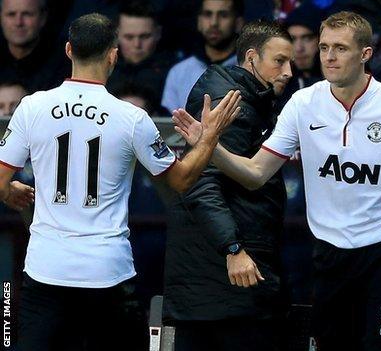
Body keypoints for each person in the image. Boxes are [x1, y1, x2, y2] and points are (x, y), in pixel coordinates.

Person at [174, 11, 381, 351]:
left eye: (340, 48)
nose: (329, 57)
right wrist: (210, 146)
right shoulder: (303, 104)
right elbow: (256, 173)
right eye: (324, 47)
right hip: (328, 250)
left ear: (365, 54)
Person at [0, 13, 241, 351]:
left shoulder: (31, 108)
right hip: (107, 273)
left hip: (45, 271)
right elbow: (183, 180)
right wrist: (209, 138)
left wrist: (10, 191)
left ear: (69, 50)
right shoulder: (131, 118)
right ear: (113, 55)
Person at [163, 20, 293, 351]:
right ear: (252, 57)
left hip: (220, 281)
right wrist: (232, 248)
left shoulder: (250, 100)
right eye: (279, 61)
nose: (288, 71)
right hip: (224, 277)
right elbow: (201, 183)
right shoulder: (230, 103)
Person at [161, 0, 244, 113]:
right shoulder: (179, 72)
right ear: (199, 21)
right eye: (207, 14)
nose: (214, 22)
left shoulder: (249, 69)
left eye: (223, 15)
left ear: (238, 22)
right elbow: (168, 126)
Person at [107, 0, 176, 107]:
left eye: (145, 37)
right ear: (117, 35)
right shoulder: (103, 69)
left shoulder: (175, 73)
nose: (137, 45)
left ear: (158, 33)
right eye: (129, 37)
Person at [0, 0, 70, 92]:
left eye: (27, 14)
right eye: (11, 14)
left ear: (43, 17)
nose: (18, 22)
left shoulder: (66, 62)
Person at [276, 2, 324, 111]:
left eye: (307, 38)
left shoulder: (341, 85)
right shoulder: (279, 88)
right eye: (292, 39)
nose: (298, 48)